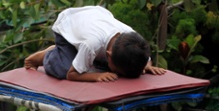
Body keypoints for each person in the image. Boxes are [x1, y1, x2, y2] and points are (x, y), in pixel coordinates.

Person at [24, 6, 166, 82]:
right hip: (67, 28)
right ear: (108, 55)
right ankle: (51, 54)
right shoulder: (91, 44)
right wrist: (96, 77)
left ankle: (75, 57)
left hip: (94, 19)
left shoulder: (132, 39)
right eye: (117, 69)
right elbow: (71, 75)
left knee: (104, 69)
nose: (116, 72)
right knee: (66, 68)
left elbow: (143, 57)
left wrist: (147, 66)